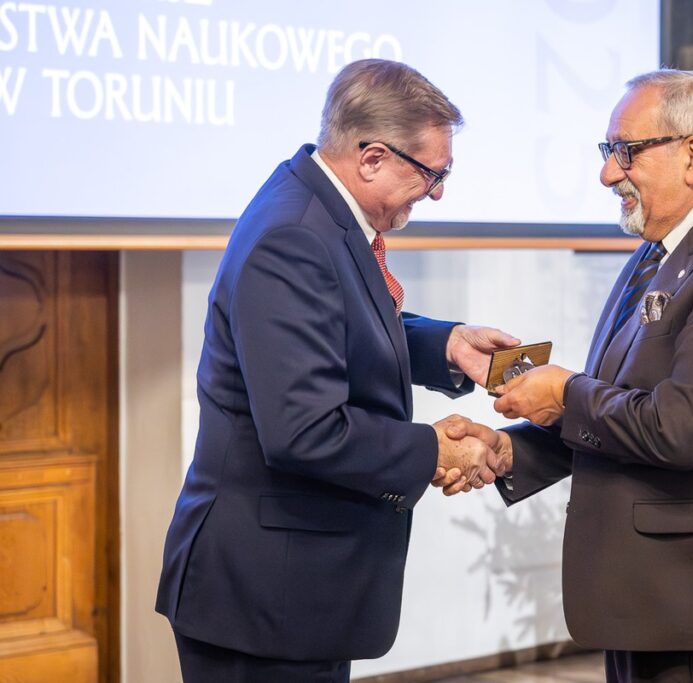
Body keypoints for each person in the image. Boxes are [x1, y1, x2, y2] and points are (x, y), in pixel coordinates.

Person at [444, 69, 693, 682]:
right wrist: (508, 452)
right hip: (654, 591)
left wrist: (564, 392)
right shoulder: (662, 251)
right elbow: (620, 412)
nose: (607, 173)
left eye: (626, 152)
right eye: (607, 152)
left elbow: (683, 429)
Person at [156, 59, 517, 683]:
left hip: (292, 587)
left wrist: (448, 346)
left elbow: (335, 326)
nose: (438, 193)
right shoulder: (294, 237)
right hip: (264, 594)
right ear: (372, 157)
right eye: (432, 173)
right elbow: (304, 429)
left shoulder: (317, 211)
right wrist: (434, 447)